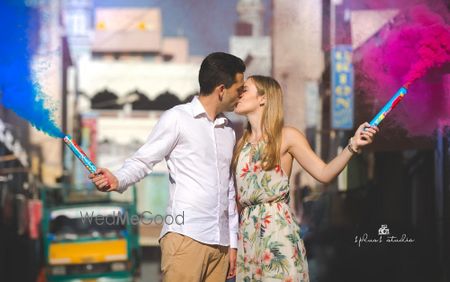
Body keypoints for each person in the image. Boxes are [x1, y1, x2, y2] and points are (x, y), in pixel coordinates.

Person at [89, 52, 246, 281]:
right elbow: (143, 160)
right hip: (186, 238)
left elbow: (230, 188)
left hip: (220, 245)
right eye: (238, 88)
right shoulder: (177, 119)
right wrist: (118, 179)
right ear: (221, 89)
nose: (240, 95)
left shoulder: (228, 130)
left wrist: (232, 242)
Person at [231, 75, 379, 281]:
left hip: (276, 231)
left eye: (245, 89)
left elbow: (324, 173)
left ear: (263, 99)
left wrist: (352, 146)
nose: (238, 93)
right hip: (247, 235)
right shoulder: (240, 144)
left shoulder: (287, 136)